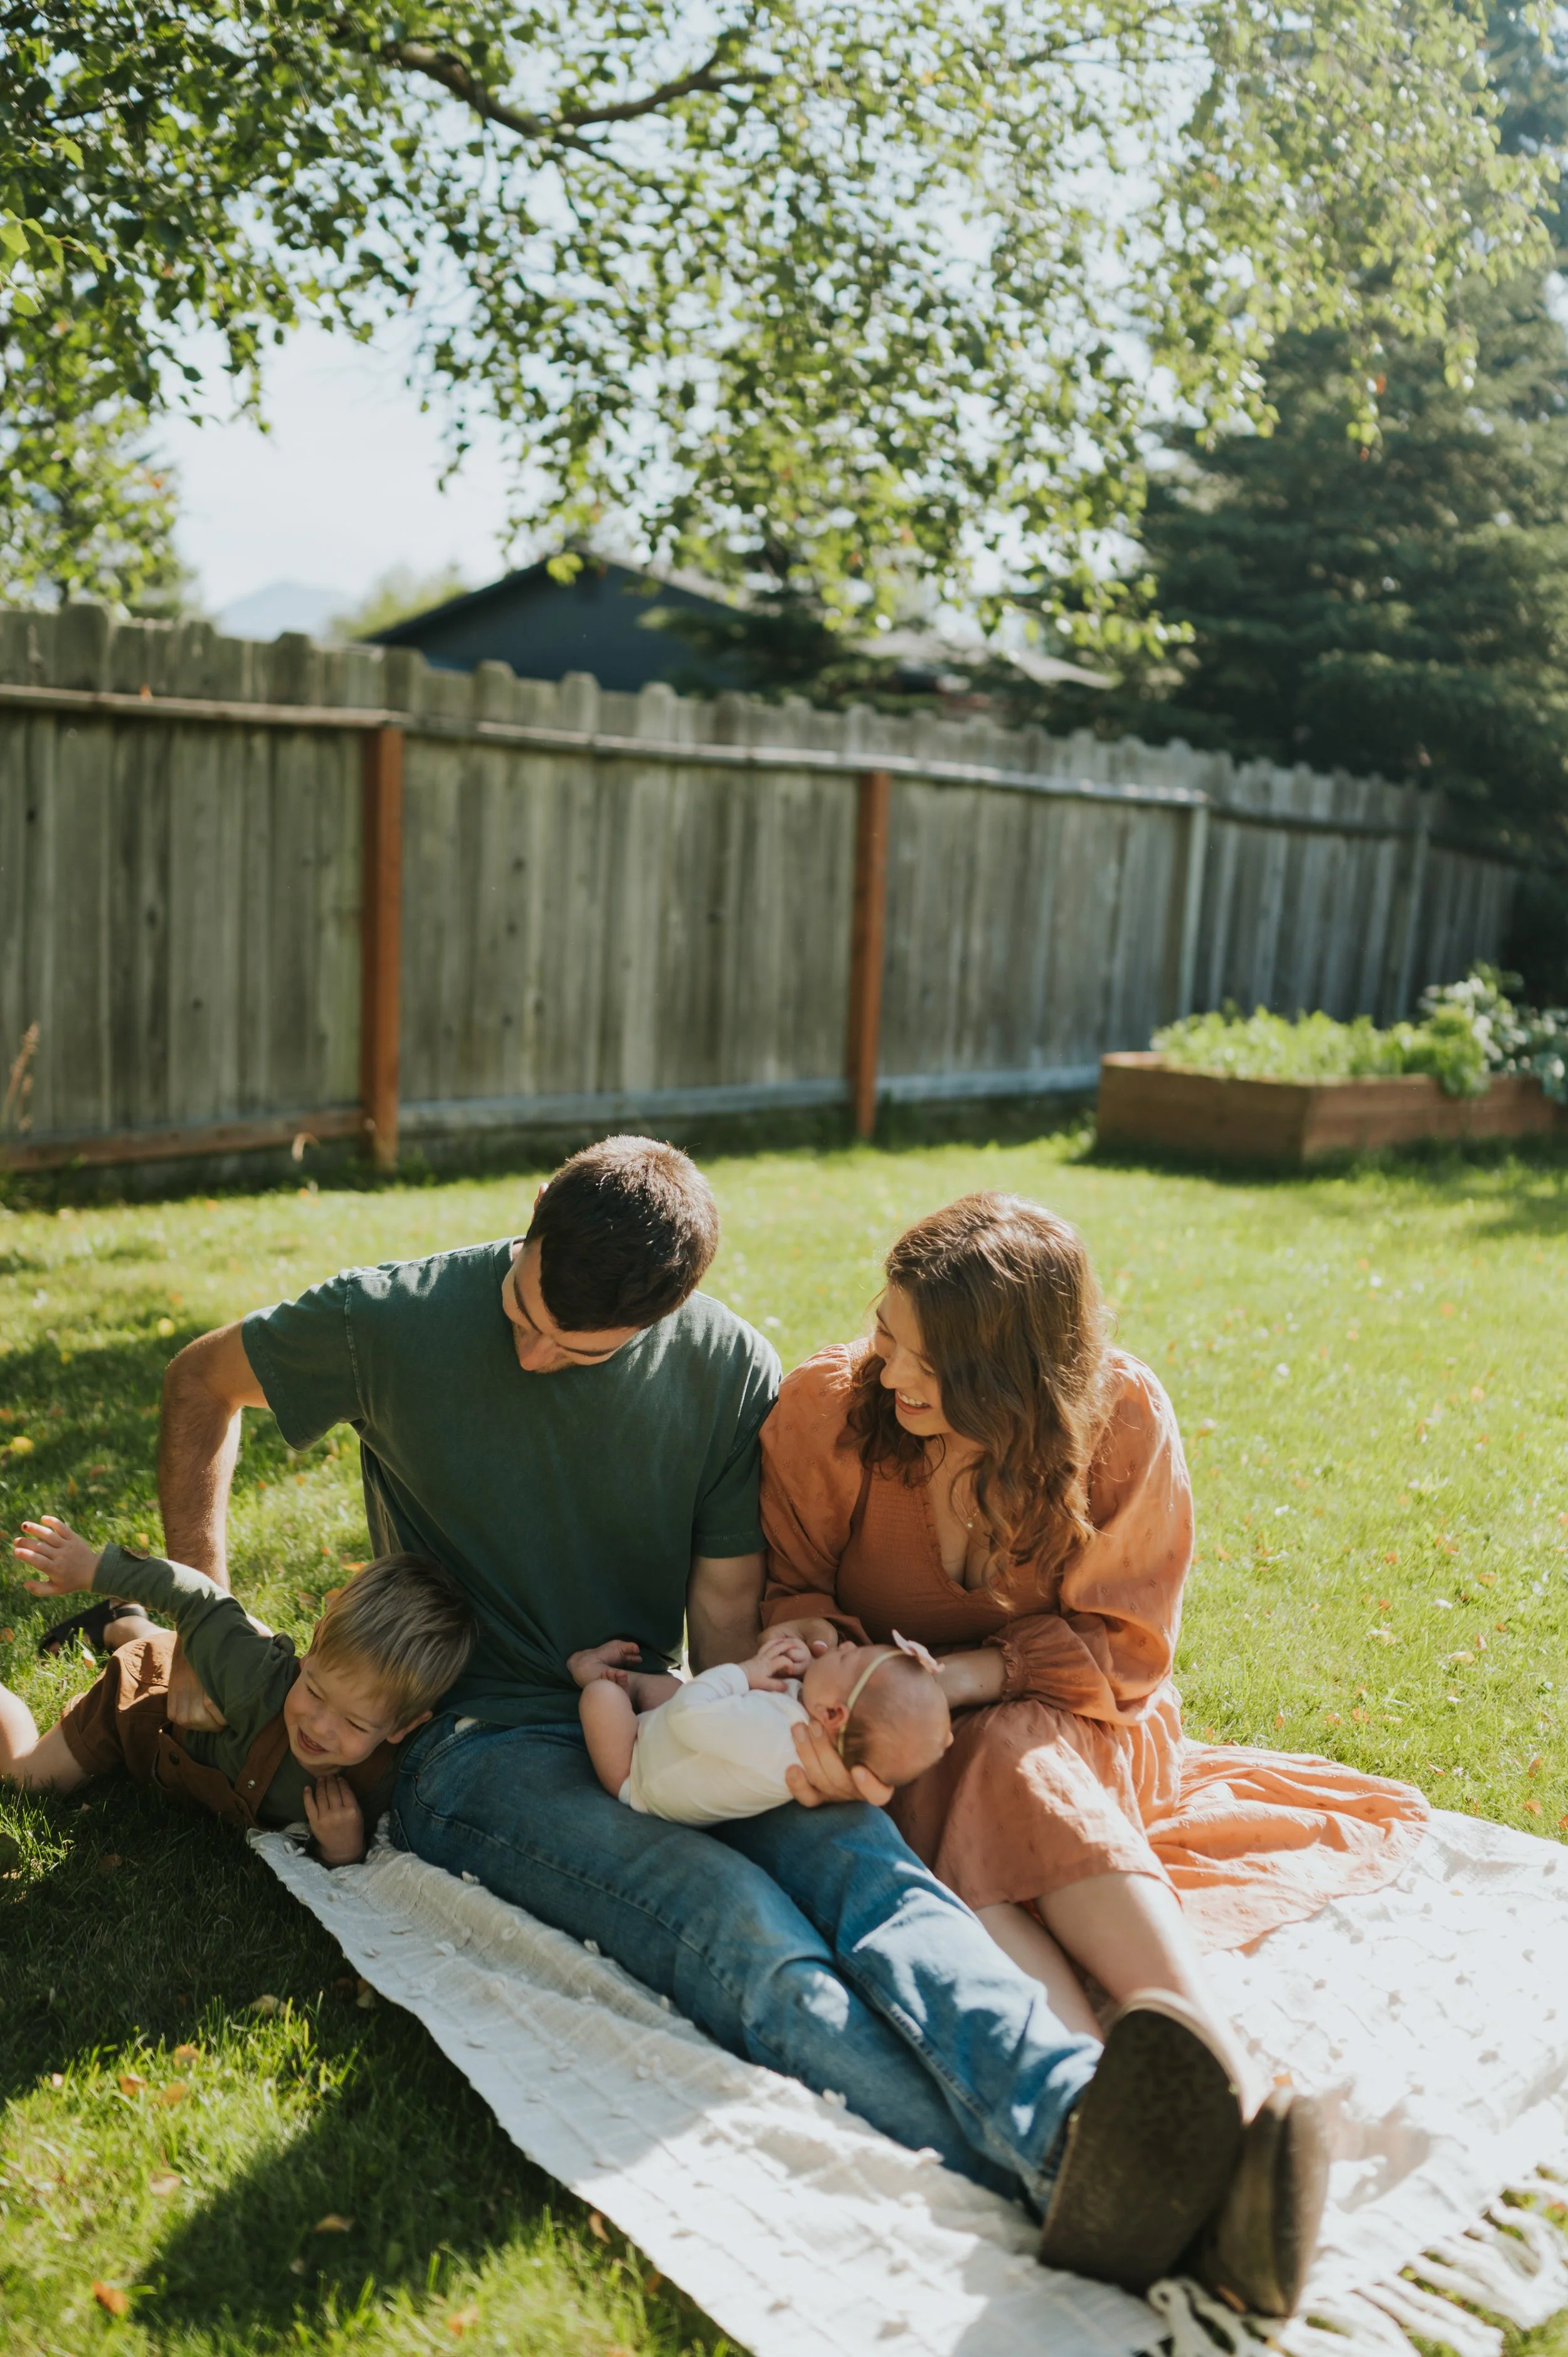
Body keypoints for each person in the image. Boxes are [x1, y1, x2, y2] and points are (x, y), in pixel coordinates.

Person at [151, 1133, 1318, 2309]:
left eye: (573, 1345)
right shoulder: (390, 1318)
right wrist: (204, 1621)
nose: (529, 1346)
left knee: (875, 1877)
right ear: (534, 1227)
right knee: (742, 1927)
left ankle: (1090, 2118)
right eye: (524, 1307)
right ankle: (1091, 2172)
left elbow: (726, 1613)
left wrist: (776, 1755)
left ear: (668, 1316)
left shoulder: (724, 1369)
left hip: (670, 1713)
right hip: (477, 1746)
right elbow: (199, 1381)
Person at [4, 1513, 472, 1864]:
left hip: (201, 1682)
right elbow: (198, 1598)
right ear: (308, 1652)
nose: (320, 1725)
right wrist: (94, 1567)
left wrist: (343, 1848)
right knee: (25, 1782)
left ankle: (124, 1620)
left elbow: (355, 1868)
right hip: (137, 1704)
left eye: (354, 1722)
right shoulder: (256, 1676)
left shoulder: (386, 1779)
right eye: (314, 1690)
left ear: (401, 1727)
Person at [571, 1626, 952, 1824]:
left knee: (603, 1699)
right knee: (669, 1686)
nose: (848, 1647)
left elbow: (689, 1715)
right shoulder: (813, 1724)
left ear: (834, 1714)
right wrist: (807, 1668)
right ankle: (629, 1685)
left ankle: (592, 1675)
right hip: (679, 1738)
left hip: (640, 1774)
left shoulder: (774, 1735)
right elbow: (789, 1697)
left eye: (847, 1660)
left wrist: (744, 1671)